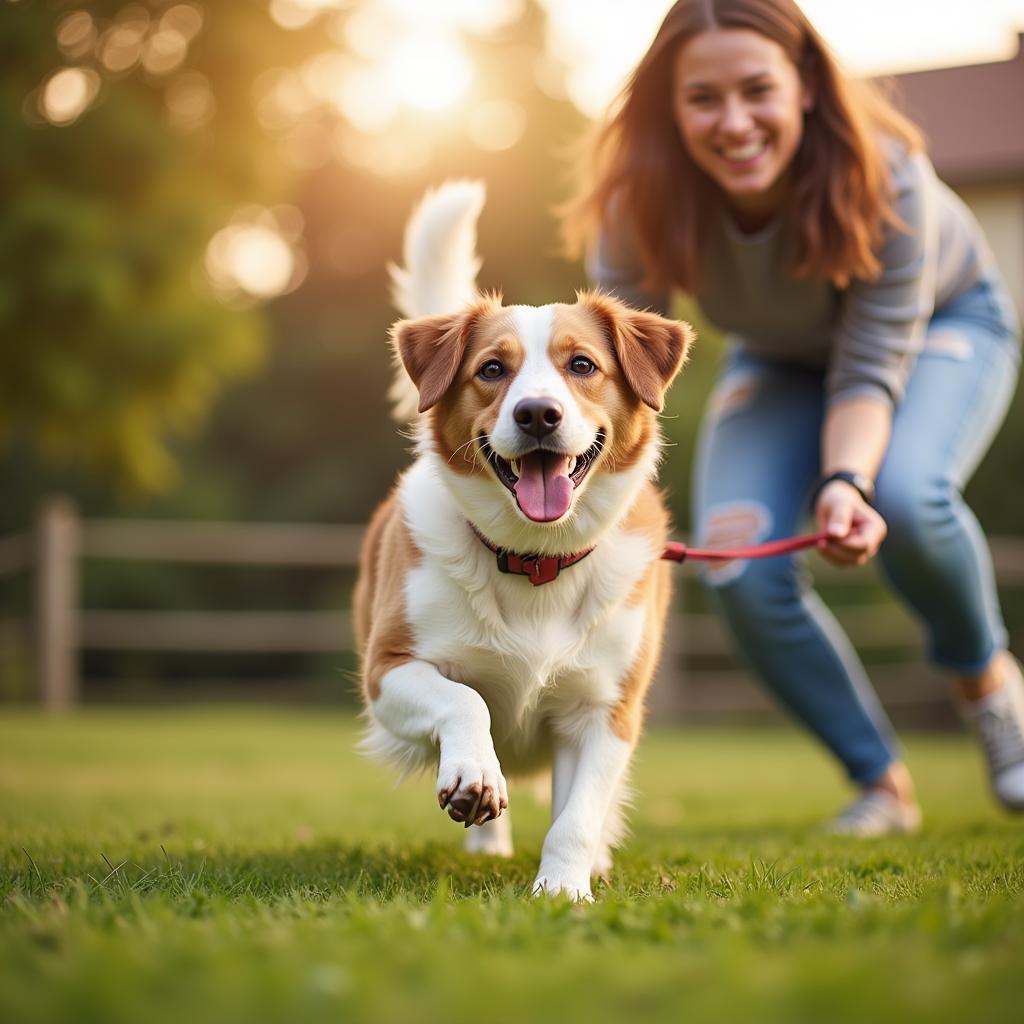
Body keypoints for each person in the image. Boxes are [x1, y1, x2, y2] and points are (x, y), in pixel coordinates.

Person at [561, 0, 1024, 833]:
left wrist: (846, 479)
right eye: (703, 98)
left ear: (804, 84)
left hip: (943, 329)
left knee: (909, 497)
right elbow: (612, 375)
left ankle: (988, 686)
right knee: (736, 562)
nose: (733, 123)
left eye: (756, 90)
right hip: (778, 354)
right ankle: (880, 782)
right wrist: (577, 505)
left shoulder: (889, 177)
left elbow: (872, 362)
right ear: (670, 106)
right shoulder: (640, 199)